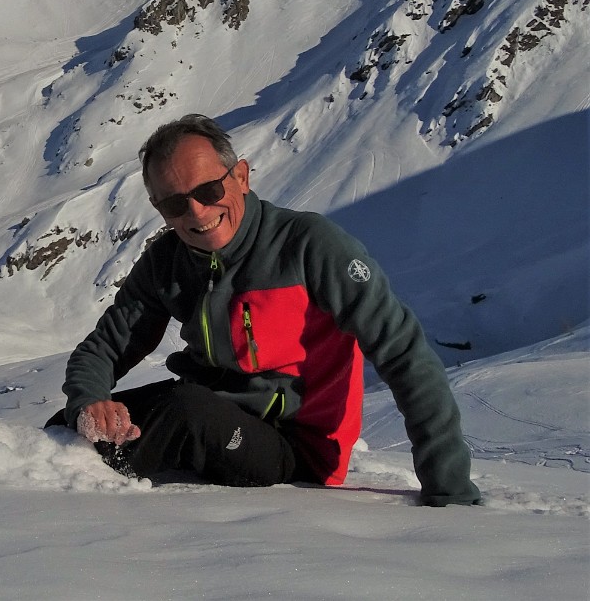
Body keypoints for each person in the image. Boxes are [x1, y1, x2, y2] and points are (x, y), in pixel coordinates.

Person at [51, 114, 480, 506]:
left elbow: (403, 352)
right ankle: (59, 473)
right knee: (68, 424)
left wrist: (448, 485)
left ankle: (74, 499)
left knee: (181, 412)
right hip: (210, 417)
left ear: (241, 176)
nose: (196, 212)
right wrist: (89, 402)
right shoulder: (168, 260)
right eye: (175, 204)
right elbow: (108, 345)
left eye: (208, 190)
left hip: (299, 445)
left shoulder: (309, 246)